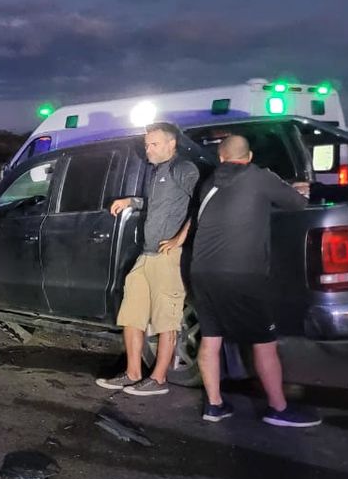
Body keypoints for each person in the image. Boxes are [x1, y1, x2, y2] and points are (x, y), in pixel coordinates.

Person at [193, 135, 318, 427]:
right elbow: (297, 204)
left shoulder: (208, 183)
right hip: (243, 274)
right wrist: (294, 189)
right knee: (264, 343)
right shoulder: (259, 176)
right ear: (249, 157)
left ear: (221, 157)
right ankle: (278, 409)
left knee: (211, 339)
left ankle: (214, 405)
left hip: (202, 272)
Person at [96, 122, 199, 396]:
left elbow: (203, 203)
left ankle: (159, 379)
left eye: (154, 144)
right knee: (131, 314)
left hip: (168, 257)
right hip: (147, 254)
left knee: (167, 320)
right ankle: (132, 372)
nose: (148, 149)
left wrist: (181, 238)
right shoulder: (157, 172)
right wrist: (132, 201)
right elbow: (156, 203)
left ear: (171, 144)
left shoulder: (183, 169)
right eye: (147, 144)